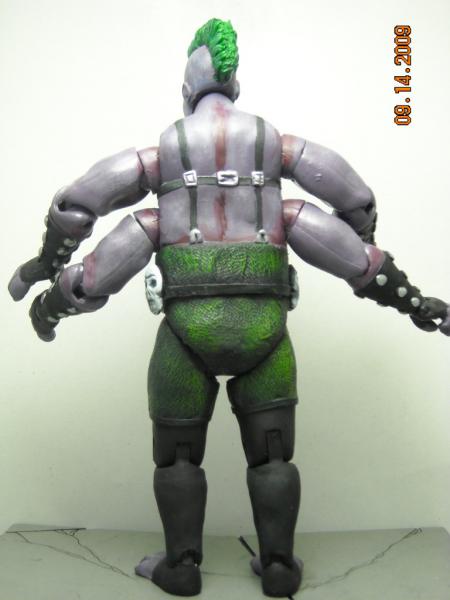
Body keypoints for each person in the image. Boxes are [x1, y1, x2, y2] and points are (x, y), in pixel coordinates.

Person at [8, 18, 449, 598]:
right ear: (234, 84)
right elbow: (356, 207)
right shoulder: (280, 152)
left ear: (186, 89)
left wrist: (49, 292)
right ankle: (280, 567)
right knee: (273, 456)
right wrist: (410, 300)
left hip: (184, 331)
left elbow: (79, 216)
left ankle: (181, 567)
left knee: (177, 457)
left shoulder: (159, 157)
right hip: (266, 329)